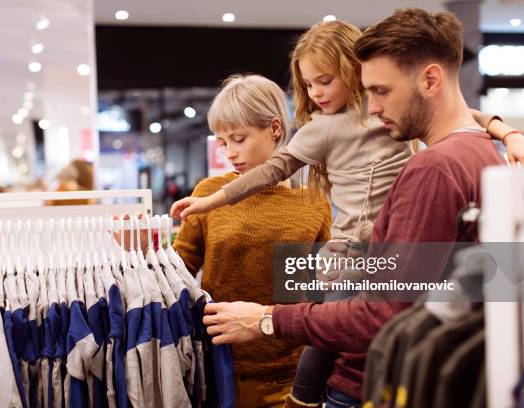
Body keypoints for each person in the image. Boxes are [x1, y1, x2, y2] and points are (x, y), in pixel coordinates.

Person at [171, 19, 522, 407]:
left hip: (362, 370)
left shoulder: (432, 167)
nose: (372, 107)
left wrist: (268, 318)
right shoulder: (479, 156)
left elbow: (384, 309)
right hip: (258, 356)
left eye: (381, 90)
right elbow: (478, 280)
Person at [172, 74, 333, 407]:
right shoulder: (208, 194)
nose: (230, 152)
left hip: (292, 374)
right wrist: (141, 251)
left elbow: (321, 291)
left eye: (238, 139)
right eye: (222, 142)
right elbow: (178, 272)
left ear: (275, 128)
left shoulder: (313, 201)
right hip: (221, 368)